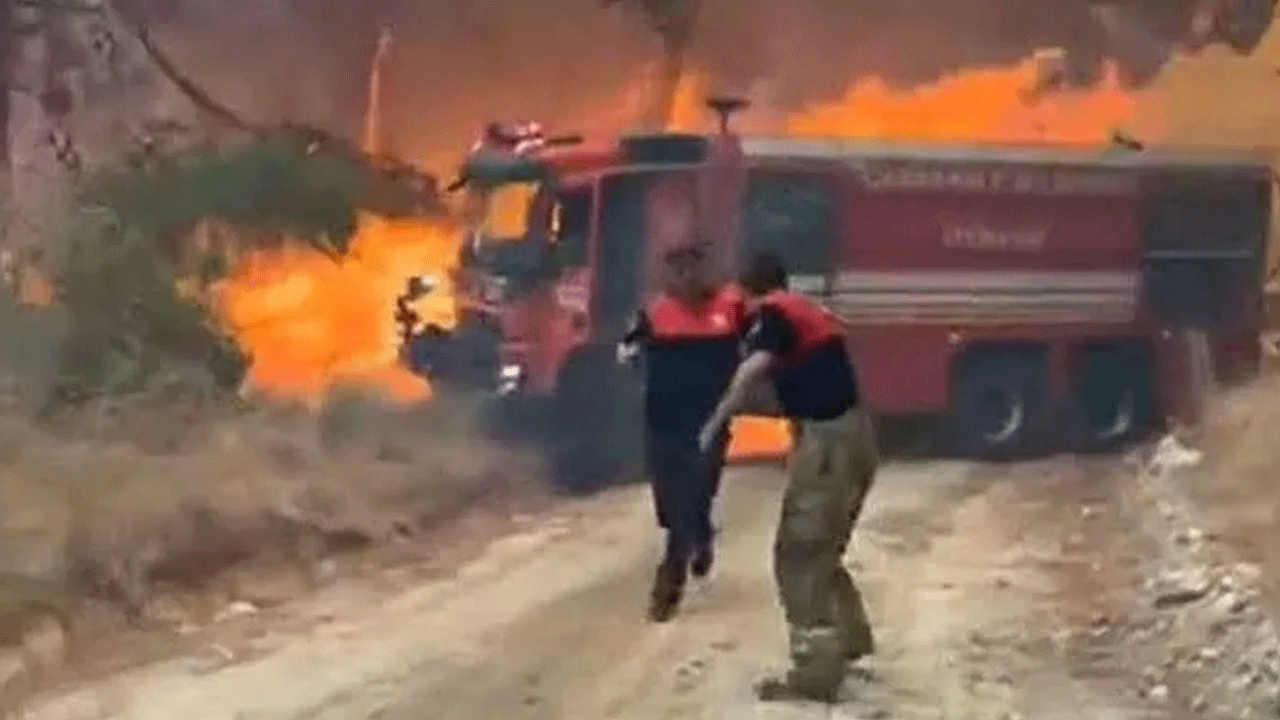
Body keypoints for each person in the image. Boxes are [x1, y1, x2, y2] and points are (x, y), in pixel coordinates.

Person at [698, 250, 878, 703]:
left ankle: (817, 672)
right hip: (851, 436)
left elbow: (753, 370)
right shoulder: (802, 310)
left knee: (799, 554)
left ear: (749, 288)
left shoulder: (774, 313)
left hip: (828, 445)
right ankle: (847, 640)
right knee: (823, 546)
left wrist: (715, 422)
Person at [619, 241, 745, 623]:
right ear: (669, 275)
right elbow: (627, 349)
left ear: (706, 271)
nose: (688, 277)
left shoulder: (731, 308)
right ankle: (700, 534)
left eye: (694, 268)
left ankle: (669, 580)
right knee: (668, 501)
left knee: (694, 491)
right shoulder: (655, 313)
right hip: (663, 419)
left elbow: (761, 344)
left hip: (710, 421)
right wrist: (630, 357)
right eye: (679, 270)